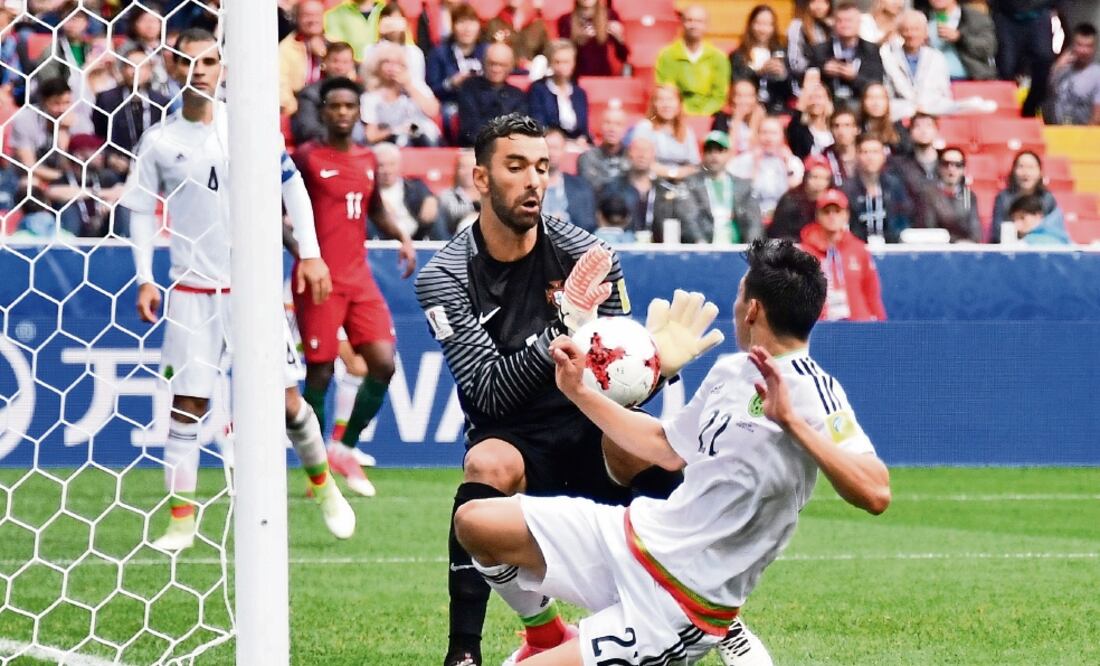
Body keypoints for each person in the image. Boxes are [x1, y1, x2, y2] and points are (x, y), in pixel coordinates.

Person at [453, 238, 890, 666]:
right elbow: (664, 447)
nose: (737, 306)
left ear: (753, 309)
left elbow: (876, 492)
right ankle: (546, 635)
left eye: (740, 296)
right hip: (637, 537)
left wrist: (793, 423)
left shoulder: (814, 391)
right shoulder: (731, 371)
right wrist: (578, 392)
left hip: (679, 603)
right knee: (476, 524)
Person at [415, 114, 706, 666]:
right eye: (516, 166)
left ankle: (697, 612)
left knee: (656, 449)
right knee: (485, 464)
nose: (534, 181)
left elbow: (619, 390)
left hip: (589, 424)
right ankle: (470, 650)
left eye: (543, 168)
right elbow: (487, 392)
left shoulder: (591, 257)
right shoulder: (445, 274)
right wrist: (562, 326)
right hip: (515, 435)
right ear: (480, 179)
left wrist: (655, 369)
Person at [121, 28, 355, 550]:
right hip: (190, 293)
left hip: (252, 294)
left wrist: (312, 254)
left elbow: (290, 184)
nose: (199, 70)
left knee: (288, 403)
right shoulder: (160, 140)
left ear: (223, 67)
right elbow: (139, 210)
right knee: (186, 407)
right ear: (174, 68)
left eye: (208, 61)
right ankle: (182, 521)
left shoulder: (247, 127)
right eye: (189, 61)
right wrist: (144, 278)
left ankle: (323, 488)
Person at [292, 75, 418, 498]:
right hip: (319, 279)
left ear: (358, 111)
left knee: (383, 363)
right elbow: (276, 214)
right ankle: (316, 470)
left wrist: (400, 236)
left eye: (350, 106)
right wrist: (305, 258)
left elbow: (375, 209)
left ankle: (344, 448)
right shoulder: (306, 158)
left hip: (359, 277)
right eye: (335, 106)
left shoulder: (366, 159)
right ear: (323, 111)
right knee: (321, 373)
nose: (343, 113)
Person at [800, 189, 887, 321]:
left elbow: (872, 294)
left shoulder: (858, 250)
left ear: (846, 215)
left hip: (857, 327)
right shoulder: (805, 253)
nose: (832, 216)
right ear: (817, 215)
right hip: (821, 329)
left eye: (837, 211)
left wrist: (881, 328)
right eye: (826, 211)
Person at [598, 135, 702, 243]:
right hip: (623, 247)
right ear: (629, 154)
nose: (642, 155)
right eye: (637, 150)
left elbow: (683, 224)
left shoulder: (665, 192)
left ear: (654, 156)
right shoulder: (613, 188)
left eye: (647, 151)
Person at [92, 42, 172, 179]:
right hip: (117, 168)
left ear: (150, 71)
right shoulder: (107, 98)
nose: (135, 71)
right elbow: (98, 135)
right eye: (130, 66)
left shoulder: (161, 101)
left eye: (142, 67)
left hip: (152, 166)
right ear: (122, 69)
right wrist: (110, 158)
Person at [682, 130, 763, 244]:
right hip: (705, 248)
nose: (714, 155)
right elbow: (689, 220)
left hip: (737, 248)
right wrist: (701, 244)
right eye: (709, 151)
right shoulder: (692, 184)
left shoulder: (743, 186)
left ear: (729, 154)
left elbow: (753, 222)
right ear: (703, 155)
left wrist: (751, 249)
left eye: (719, 150)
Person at [360, 41, 442, 147]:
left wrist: (408, 86)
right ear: (377, 66)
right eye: (387, 62)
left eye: (397, 63)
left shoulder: (416, 85)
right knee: (402, 140)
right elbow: (370, 136)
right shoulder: (371, 96)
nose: (392, 68)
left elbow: (433, 111)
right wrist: (396, 130)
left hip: (424, 138)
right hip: (393, 143)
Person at [655, 4, 730, 116]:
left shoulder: (718, 57)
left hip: (710, 116)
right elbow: (667, 93)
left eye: (699, 21)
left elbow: (719, 96)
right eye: (689, 20)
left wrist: (701, 114)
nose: (693, 25)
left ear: (706, 25)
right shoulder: (667, 55)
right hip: (675, 115)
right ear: (682, 23)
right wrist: (683, 113)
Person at [426, 3, 485, 139]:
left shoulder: (486, 51)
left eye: (471, 23)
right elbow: (432, 88)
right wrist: (451, 83)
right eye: (461, 22)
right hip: (452, 101)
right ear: (453, 26)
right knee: (450, 113)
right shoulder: (439, 53)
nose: (467, 28)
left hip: (482, 100)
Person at [727, 116, 804, 218]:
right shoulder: (743, 161)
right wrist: (754, 166)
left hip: (783, 216)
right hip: (752, 215)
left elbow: (796, 191)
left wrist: (787, 164)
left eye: (773, 133)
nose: (769, 138)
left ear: (782, 136)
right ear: (757, 135)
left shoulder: (793, 161)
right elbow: (735, 192)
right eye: (764, 132)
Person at [881, 11, 953, 120]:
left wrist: (924, 106)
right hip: (901, 113)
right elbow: (887, 92)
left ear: (925, 32)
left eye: (916, 29)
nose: (911, 34)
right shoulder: (889, 57)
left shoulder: (937, 57)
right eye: (906, 30)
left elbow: (943, 91)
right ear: (900, 33)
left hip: (931, 112)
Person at [842, 133, 913, 243]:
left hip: (892, 248)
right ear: (857, 156)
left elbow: (904, 218)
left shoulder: (895, 186)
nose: (870, 157)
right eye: (865, 152)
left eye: (875, 152)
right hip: (858, 249)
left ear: (883, 156)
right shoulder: (846, 189)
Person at [810, 1, 884, 105]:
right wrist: (823, 70)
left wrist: (855, 77)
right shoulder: (820, 50)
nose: (844, 25)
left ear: (859, 23)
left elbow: (877, 83)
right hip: (828, 103)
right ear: (834, 23)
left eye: (849, 21)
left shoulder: (871, 50)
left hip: (860, 103)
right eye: (840, 21)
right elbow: (806, 80)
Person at [292, 41, 366, 146]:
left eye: (345, 62)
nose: (340, 67)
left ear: (352, 64)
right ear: (324, 62)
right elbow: (307, 130)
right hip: (323, 148)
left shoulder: (360, 91)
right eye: (335, 61)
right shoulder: (310, 94)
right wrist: (341, 138)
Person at [456, 42, 529, 146]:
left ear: (511, 67)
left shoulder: (517, 95)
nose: (496, 69)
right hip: (476, 148)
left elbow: (519, 129)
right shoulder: (469, 88)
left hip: (508, 149)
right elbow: (470, 128)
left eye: (502, 65)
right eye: (492, 63)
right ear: (483, 63)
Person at [992, 0, 1056, 117]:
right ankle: (1003, 114)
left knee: (1044, 60)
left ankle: (1030, 109)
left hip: (1038, 13)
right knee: (1006, 68)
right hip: (1007, 16)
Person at [9, 76, 77, 183]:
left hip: (60, 175)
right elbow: (29, 165)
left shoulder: (72, 119)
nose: (62, 109)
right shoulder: (24, 119)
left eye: (67, 102)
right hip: (29, 177)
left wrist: (62, 131)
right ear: (43, 102)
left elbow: (65, 164)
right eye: (56, 103)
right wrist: (62, 177)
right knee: (30, 183)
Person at [728, 5, 793, 116]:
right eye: (759, 23)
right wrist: (760, 73)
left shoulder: (781, 53)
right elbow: (737, 83)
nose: (763, 29)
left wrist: (784, 76)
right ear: (751, 24)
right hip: (747, 109)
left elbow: (789, 92)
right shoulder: (738, 55)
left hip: (775, 110)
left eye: (768, 24)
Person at [631, 85, 701, 181]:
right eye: (661, 100)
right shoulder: (645, 127)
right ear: (654, 104)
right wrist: (673, 173)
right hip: (653, 181)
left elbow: (694, 165)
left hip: (683, 183)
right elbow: (641, 161)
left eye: (670, 99)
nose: (666, 105)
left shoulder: (687, 131)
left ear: (679, 104)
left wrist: (679, 175)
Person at [373, 141, 439, 240]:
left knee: (436, 214)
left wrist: (432, 199)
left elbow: (430, 198)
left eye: (392, 164)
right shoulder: (368, 191)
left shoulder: (414, 186)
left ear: (399, 165)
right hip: (385, 238)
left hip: (417, 236)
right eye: (381, 166)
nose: (387, 171)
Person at [990, 150, 1059, 243]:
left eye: (1031, 167)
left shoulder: (1048, 199)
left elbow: (1054, 232)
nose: (1026, 173)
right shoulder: (1003, 198)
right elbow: (997, 232)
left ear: (1040, 172)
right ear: (1013, 171)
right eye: (1021, 167)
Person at [528, 40, 590, 144]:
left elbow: (583, 128)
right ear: (550, 63)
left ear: (573, 63)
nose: (561, 67)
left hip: (576, 144)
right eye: (557, 62)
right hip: (549, 143)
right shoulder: (538, 89)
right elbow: (538, 123)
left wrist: (583, 138)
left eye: (566, 62)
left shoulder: (580, 93)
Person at [926, 0, 998, 81]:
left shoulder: (974, 18)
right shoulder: (922, 19)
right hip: (932, 81)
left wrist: (959, 38)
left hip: (967, 80)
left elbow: (988, 48)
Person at [1044, 23, 1100, 126]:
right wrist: (1056, 67)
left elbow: (1097, 116)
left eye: (1088, 46)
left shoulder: (1097, 75)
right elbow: (1042, 94)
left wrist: (1084, 139)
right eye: (1079, 45)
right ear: (1072, 45)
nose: (1084, 51)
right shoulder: (1061, 68)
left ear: (1095, 48)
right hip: (1054, 131)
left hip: (1081, 135)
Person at [541, 127, 597, 231]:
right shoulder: (528, 185)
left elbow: (588, 224)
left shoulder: (581, 187)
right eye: (548, 147)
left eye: (555, 148)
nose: (551, 153)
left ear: (564, 150)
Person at [557, 0, 628, 78]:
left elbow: (623, 56)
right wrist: (580, 40)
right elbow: (562, 53)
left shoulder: (609, 16)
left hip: (602, 75)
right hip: (575, 75)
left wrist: (619, 37)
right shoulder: (565, 20)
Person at [278, 0, 327, 116]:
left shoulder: (334, 44)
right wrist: (294, 110)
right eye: (307, 15)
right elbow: (281, 85)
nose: (312, 20)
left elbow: (347, 78)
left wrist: (323, 56)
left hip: (330, 106)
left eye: (317, 15)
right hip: (300, 109)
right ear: (297, 18)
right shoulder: (285, 48)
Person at [770, 154, 834, 240]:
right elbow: (780, 233)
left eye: (824, 178)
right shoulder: (790, 201)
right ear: (805, 178)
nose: (819, 183)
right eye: (814, 177)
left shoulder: (833, 201)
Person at [485, 0, 551, 73]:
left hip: (530, 74)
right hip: (502, 73)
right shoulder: (494, 24)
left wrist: (535, 65)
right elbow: (486, 52)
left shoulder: (537, 25)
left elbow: (546, 53)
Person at [933, 145, 982, 242]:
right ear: (939, 167)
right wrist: (955, 242)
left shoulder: (969, 196)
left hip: (965, 250)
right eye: (946, 164)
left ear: (964, 169)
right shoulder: (928, 195)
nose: (951, 169)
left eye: (958, 164)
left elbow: (976, 231)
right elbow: (930, 232)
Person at [577, 106, 628, 193]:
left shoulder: (632, 158)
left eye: (618, 124)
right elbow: (590, 188)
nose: (612, 129)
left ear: (625, 130)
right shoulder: (587, 157)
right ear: (601, 126)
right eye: (608, 123)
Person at [711, 78, 766, 154]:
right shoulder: (721, 120)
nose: (744, 100)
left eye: (749, 96)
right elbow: (725, 152)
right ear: (732, 98)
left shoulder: (763, 120)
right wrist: (737, 121)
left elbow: (758, 150)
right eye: (739, 96)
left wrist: (755, 125)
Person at [785, 78, 835, 158]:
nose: (815, 102)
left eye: (819, 97)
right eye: (811, 98)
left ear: (828, 100)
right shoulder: (799, 129)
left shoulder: (835, 127)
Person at [787, 0, 833, 84]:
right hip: (804, 82)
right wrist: (819, 68)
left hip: (826, 84)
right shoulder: (798, 26)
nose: (819, 6)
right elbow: (795, 64)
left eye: (824, 2)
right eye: (814, 1)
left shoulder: (828, 27)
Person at [436, 148, 480, 237]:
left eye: (472, 168)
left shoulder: (491, 197)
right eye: (463, 167)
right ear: (457, 170)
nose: (468, 172)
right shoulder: (445, 197)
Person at [859, 83, 911, 155]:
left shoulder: (898, 130)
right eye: (870, 97)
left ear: (887, 102)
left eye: (880, 98)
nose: (876, 103)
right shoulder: (857, 129)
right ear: (863, 102)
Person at [822, 107, 859, 187]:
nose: (841, 131)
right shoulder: (824, 157)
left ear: (856, 129)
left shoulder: (866, 153)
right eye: (836, 126)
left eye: (847, 125)